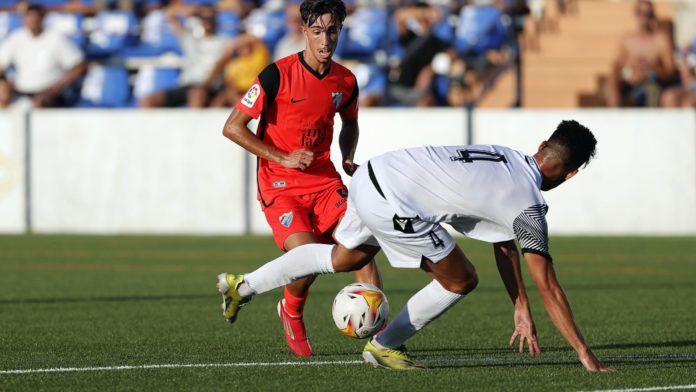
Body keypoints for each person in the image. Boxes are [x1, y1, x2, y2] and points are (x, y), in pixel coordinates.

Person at [217, 120, 615, 372]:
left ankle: (243, 285)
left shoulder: (505, 156)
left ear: (542, 145)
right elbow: (549, 284)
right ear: (572, 174)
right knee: (461, 279)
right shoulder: (529, 207)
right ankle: (384, 345)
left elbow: (502, 241)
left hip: (372, 174)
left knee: (343, 257)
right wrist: (583, 351)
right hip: (394, 202)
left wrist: (520, 305)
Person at [218, 0, 382, 357]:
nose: (326, 40)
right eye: (318, 31)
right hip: (280, 184)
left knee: (362, 247)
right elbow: (232, 127)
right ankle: (291, 310)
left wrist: (348, 155)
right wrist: (282, 157)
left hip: (324, 182)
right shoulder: (276, 74)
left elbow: (350, 122)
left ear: (341, 30)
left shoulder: (346, 80)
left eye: (333, 30)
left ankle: (381, 338)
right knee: (309, 256)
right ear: (304, 31)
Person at [139, 5, 231, 108]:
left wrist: (216, 9)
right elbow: (169, 14)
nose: (207, 21)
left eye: (210, 18)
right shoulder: (190, 38)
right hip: (186, 84)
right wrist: (196, 10)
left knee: (196, 95)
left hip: (209, 86)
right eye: (203, 18)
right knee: (148, 101)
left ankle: (194, 124)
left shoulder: (224, 41)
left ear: (216, 20)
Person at [0, 5, 86, 109]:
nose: (32, 21)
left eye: (35, 18)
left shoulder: (56, 38)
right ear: (24, 19)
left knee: (40, 105)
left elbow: (78, 66)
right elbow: (1, 64)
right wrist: (5, 84)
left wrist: (56, 88)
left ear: (42, 18)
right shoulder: (16, 38)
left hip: (51, 94)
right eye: (29, 17)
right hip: (21, 93)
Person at [605, 0, 679, 107]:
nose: (644, 17)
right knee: (611, 82)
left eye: (648, 13)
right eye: (641, 12)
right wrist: (630, 70)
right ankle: (615, 116)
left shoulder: (661, 39)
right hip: (630, 82)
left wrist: (653, 68)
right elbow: (616, 67)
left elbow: (670, 71)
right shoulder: (628, 40)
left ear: (653, 15)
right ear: (635, 13)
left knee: (649, 92)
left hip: (653, 83)